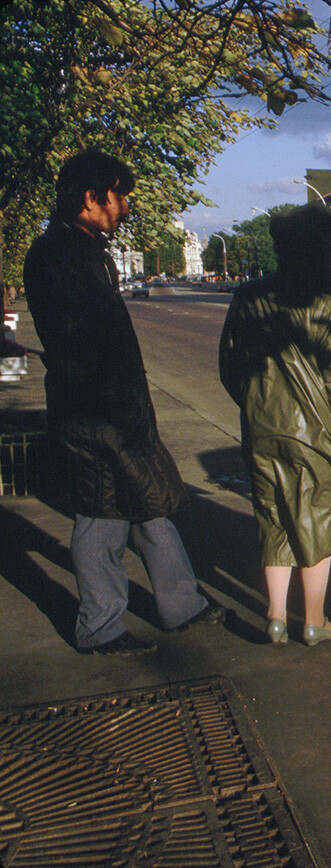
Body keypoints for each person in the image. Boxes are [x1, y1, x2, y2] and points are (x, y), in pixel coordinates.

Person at [23, 149, 226, 655]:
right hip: (96, 412)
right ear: (91, 197)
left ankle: (182, 606)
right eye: (120, 195)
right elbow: (79, 343)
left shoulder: (80, 247)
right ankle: (100, 626)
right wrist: (114, 407)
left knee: (149, 504)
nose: (126, 206)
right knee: (102, 519)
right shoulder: (60, 254)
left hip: (114, 408)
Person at [219, 204, 331, 647]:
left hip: (261, 426)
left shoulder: (248, 296)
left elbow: (229, 364)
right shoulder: (325, 305)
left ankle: (277, 616)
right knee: (317, 520)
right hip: (315, 433)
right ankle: (315, 620)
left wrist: (253, 403)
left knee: (273, 517)